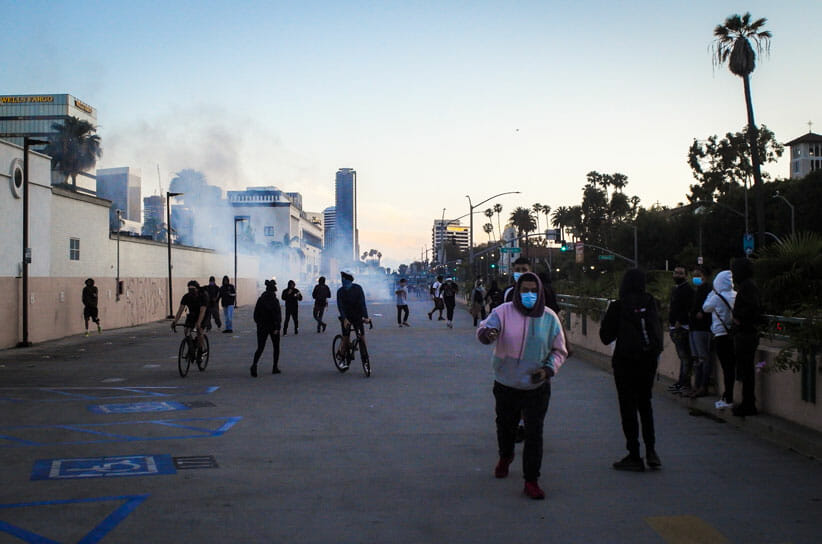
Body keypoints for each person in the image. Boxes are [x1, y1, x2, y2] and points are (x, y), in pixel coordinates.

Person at [476, 272, 568, 500]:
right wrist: (489, 334)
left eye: (533, 290)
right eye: (524, 290)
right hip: (506, 383)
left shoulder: (549, 318)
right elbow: (484, 330)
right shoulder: (503, 312)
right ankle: (505, 456)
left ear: (540, 292)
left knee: (534, 433)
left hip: (536, 387)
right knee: (506, 427)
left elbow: (559, 351)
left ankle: (531, 480)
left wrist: (547, 370)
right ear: (517, 291)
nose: (529, 295)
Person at [599, 269, 664, 472]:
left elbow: (606, 336)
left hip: (625, 362)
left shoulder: (619, 306)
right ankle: (652, 450)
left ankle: (634, 454)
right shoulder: (651, 302)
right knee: (645, 404)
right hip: (648, 361)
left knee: (628, 407)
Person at [730, 257, 762, 417]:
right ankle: (747, 403)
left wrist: (738, 318)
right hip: (745, 332)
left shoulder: (747, 286)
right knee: (745, 370)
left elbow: (752, 308)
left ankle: (748, 404)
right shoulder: (747, 285)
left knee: (747, 370)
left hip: (746, 333)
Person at [702, 270, 736, 410]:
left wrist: (712, 293)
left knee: (726, 367)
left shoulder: (716, 297)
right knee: (731, 367)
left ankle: (728, 397)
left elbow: (706, 308)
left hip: (721, 335)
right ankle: (728, 395)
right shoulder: (735, 295)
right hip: (733, 335)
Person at [666, 266, 694, 395]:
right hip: (674, 327)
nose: (677, 275)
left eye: (680, 273)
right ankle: (681, 382)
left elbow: (688, 308)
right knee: (682, 357)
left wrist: (680, 321)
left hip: (681, 328)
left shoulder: (687, 290)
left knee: (685, 358)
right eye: (675, 273)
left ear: (686, 275)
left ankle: (684, 383)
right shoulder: (676, 289)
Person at [687, 267, 713, 398]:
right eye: (694, 275)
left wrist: (701, 313)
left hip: (702, 328)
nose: (696, 277)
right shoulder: (697, 290)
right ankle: (696, 386)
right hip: (693, 327)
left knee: (703, 358)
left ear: (705, 276)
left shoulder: (708, 290)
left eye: (699, 275)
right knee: (697, 359)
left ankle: (703, 386)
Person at [336, 270, 370, 368]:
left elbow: (362, 304)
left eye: (345, 280)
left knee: (362, 338)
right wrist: (344, 319)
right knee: (346, 338)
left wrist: (366, 317)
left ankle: (365, 359)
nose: (343, 282)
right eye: (342, 280)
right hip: (346, 317)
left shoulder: (358, 289)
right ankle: (341, 358)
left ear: (350, 280)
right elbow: (340, 307)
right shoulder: (340, 292)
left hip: (357, 316)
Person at [250, 279, 282, 377]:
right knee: (276, 347)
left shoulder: (261, 300)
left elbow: (255, 314)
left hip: (262, 327)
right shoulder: (275, 301)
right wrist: (277, 327)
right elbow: (277, 316)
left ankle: (254, 365)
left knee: (260, 347)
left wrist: (259, 323)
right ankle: (275, 367)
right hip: (273, 327)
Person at [171, 280, 208, 355]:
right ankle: (191, 348)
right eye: (189, 289)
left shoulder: (203, 296)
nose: (191, 291)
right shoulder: (186, 297)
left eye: (193, 289)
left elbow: (202, 311)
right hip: (192, 314)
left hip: (204, 314)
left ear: (197, 289)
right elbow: (180, 310)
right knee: (186, 330)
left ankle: (203, 349)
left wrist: (198, 323)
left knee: (199, 330)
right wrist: (175, 321)